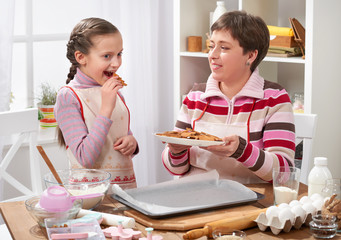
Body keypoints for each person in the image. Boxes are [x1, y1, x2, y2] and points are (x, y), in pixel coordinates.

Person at [162, 11, 295, 184]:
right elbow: (177, 169)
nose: (212, 55)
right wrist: (176, 150)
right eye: (211, 46)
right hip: (194, 195)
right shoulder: (195, 98)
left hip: (249, 200)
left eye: (223, 48)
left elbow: (283, 173)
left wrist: (242, 151)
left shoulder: (274, 99)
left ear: (250, 56)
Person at [55, 17, 138, 190]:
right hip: (91, 199)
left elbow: (120, 134)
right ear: (81, 57)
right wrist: (106, 108)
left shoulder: (115, 92)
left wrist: (132, 143)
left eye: (119, 54)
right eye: (107, 56)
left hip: (125, 193)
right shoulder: (68, 97)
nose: (116, 63)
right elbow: (85, 158)